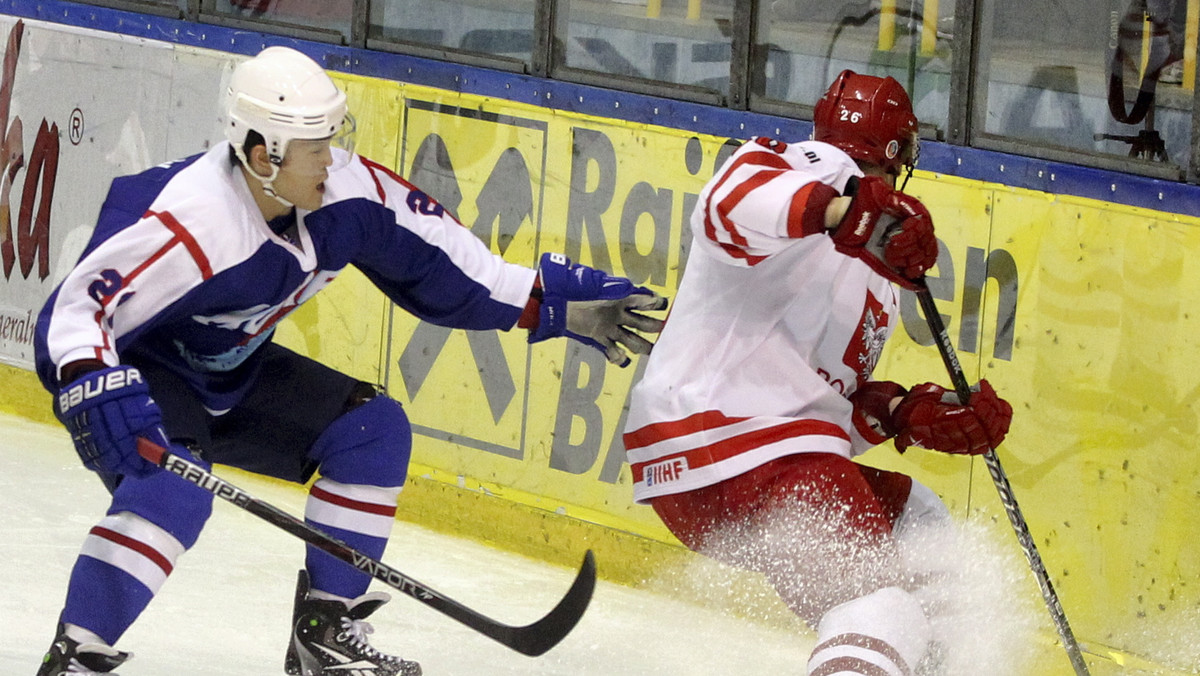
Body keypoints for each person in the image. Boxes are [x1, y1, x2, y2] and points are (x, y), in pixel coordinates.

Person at [33, 46, 665, 676]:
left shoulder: (342, 193)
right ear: (264, 157)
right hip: (146, 377)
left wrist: (550, 306)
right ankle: (77, 656)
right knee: (174, 491)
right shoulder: (190, 221)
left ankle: (324, 632)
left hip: (232, 378)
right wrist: (92, 382)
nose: (331, 159)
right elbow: (74, 311)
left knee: (371, 430)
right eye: (316, 147)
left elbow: (450, 269)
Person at [622, 70, 1013, 676]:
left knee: (922, 524)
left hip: (738, 467)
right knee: (874, 602)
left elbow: (826, 406)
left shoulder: (879, 262)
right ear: (897, 152)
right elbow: (722, 205)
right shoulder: (814, 167)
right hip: (735, 445)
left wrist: (906, 414)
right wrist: (839, 210)